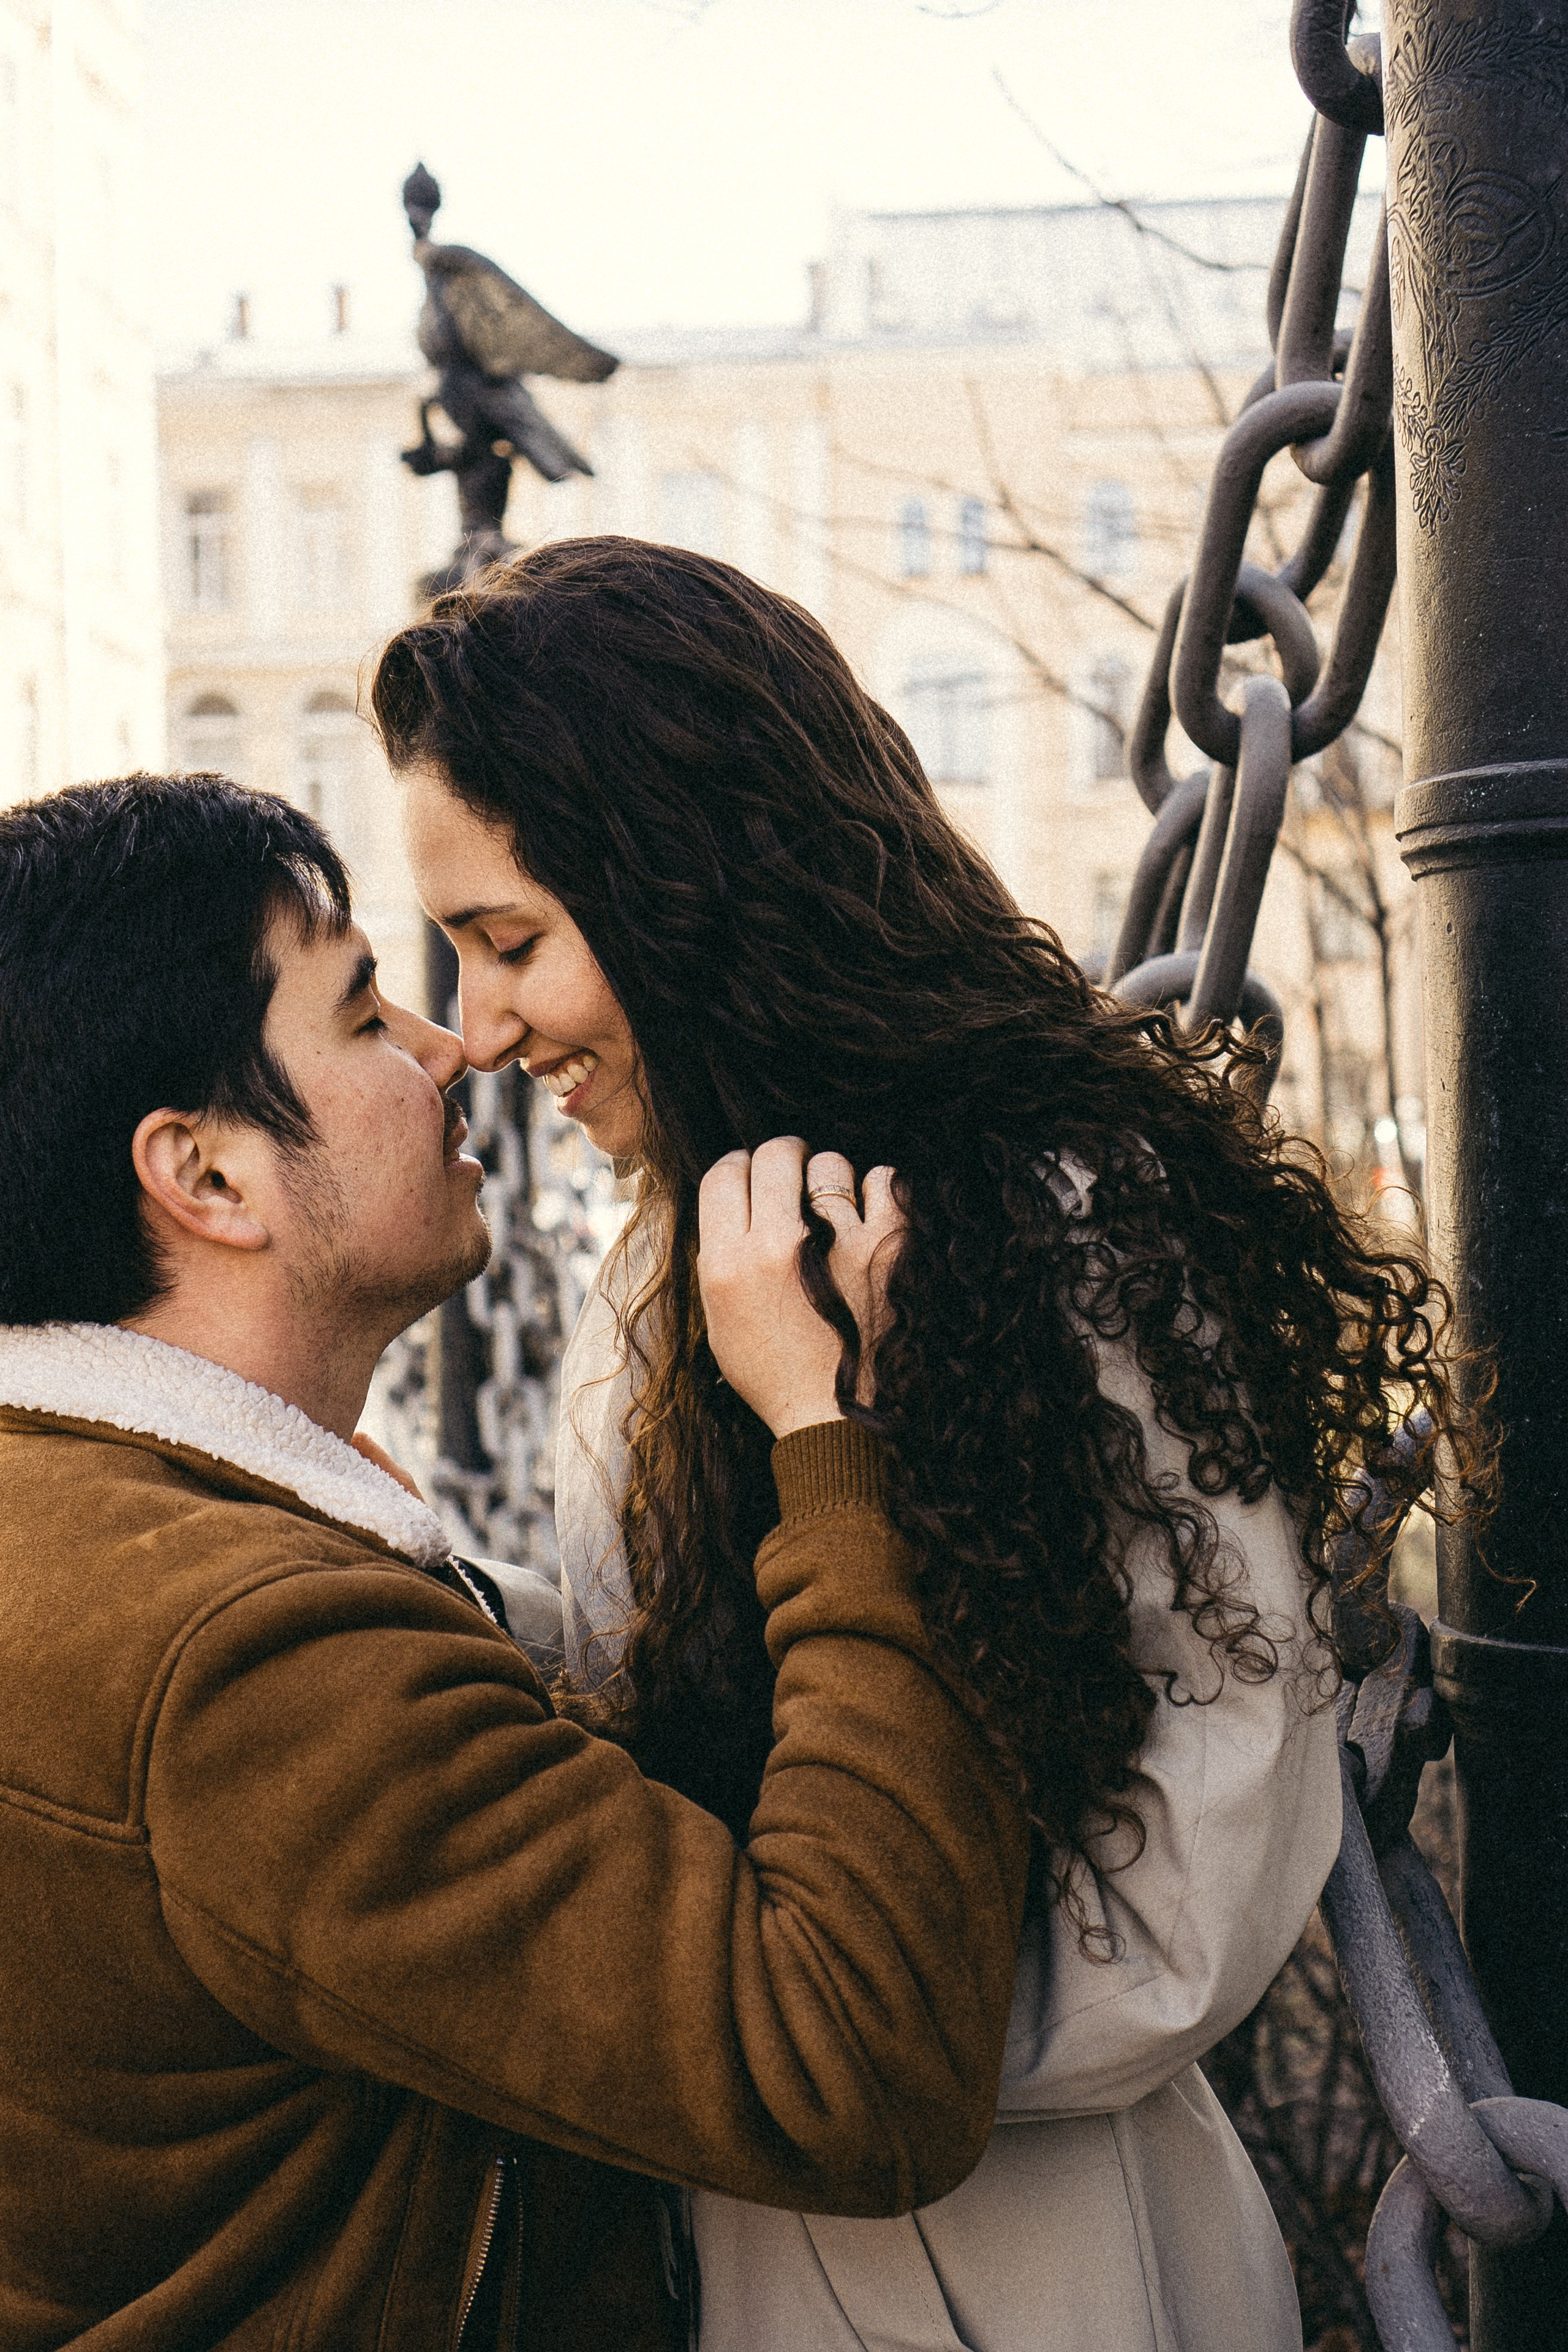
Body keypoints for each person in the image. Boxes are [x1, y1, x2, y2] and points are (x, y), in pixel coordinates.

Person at [372, 535, 1482, 2352]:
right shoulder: (686, 1247)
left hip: (1034, 2258)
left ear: (686, 894)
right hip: (751, 2214)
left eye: (514, 942)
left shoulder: (1060, 1227)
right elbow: (663, 1697)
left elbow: (1189, 1900)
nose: (483, 1026)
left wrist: (787, 2011)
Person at [0, 773, 1031, 2351]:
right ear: (207, 1176)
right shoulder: (252, 1663)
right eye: (362, 1017)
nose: (453, 1049)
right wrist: (839, 1442)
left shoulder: (71, 1517)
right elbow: (852, 2065)